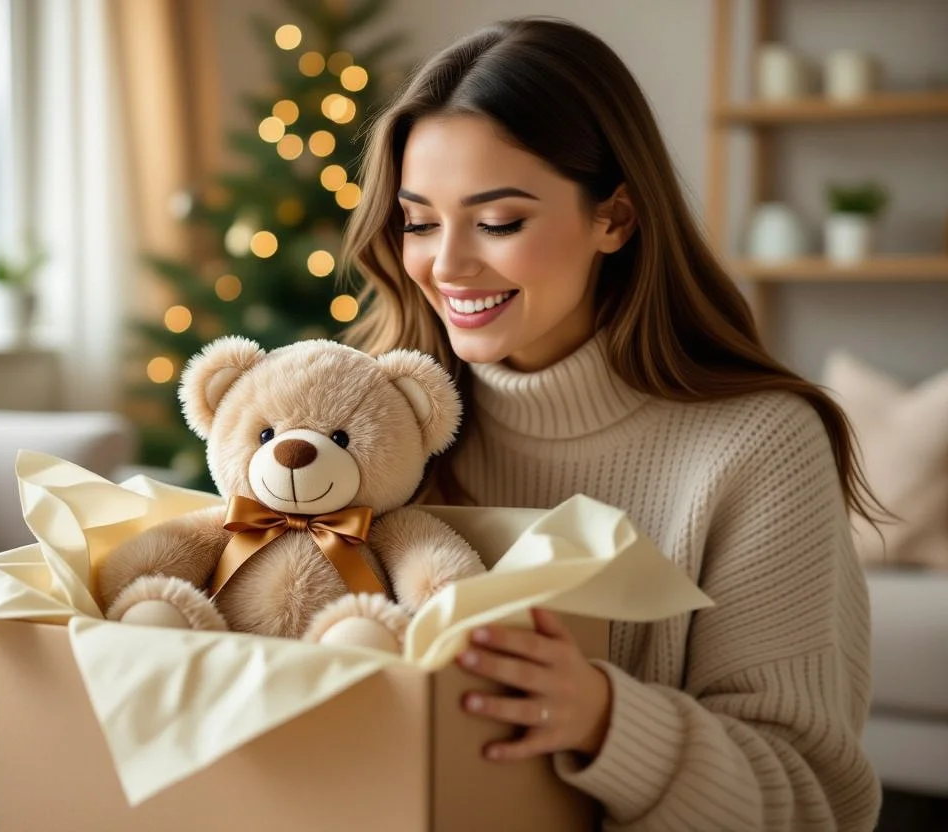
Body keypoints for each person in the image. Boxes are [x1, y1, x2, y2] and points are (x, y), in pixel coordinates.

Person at [341, 17, 882, 832]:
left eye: (498, 222)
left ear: (615, 219)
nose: (445, 265)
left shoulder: (760, 446)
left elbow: (814, 804)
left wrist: (609, 722)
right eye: (419, 221)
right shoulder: (374, 425)